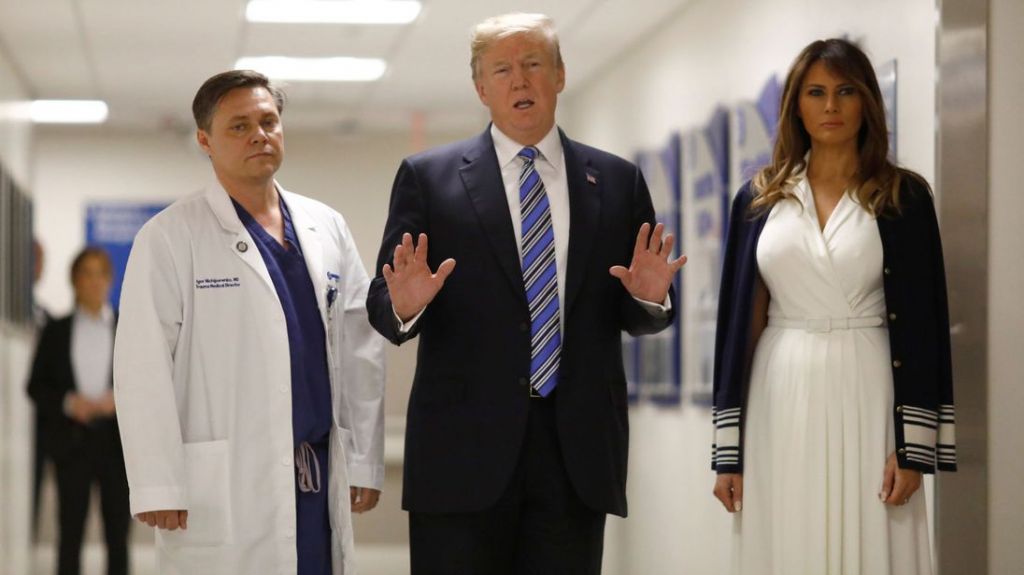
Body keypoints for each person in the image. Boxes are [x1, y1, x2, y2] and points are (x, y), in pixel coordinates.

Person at [366, 12, 686, 574]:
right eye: (503, 69)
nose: (520, 80)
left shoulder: (615, 181)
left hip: (575, 453)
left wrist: (649, 300)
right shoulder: (428, 177)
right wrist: (405, 304)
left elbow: (637, 312)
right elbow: (383, 306)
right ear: (480, 88)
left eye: (533, 64)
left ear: (559, 75)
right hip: (461, 452)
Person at [113, 70, 385, 574]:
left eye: (269, 121)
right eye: (239, 126)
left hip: (317, 474)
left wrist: (364, 457)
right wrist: (157, 482)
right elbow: (141, 365)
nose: (260, 134)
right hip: (225, 482)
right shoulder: (170, 236)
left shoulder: (326, 226)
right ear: (205, 141)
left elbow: (358, 345)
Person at [711, 38, 957, 574]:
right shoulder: (758, 200)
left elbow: (926, 324)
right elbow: (737, 326)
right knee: (787, 539)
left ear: (866, 101)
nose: (830, 106)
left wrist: (913, 448)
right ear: (795, 105)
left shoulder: (903, 196)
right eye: (815, 92)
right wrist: (728, 453)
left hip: (869, 386)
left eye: (845, 91)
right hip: (780, 392)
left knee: (875, 537)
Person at [27, 246, 130, 575]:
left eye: (101, 273)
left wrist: (119, 399)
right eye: (86, 273)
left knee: (118, 534)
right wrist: (70, 403)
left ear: (110, 280)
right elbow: (35, 385)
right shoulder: (56, 330)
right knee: (69, 533)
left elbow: (148, 380)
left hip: (116, 446)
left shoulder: (127, 328)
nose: (94, 281)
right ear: (75, 280)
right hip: (72, 445)